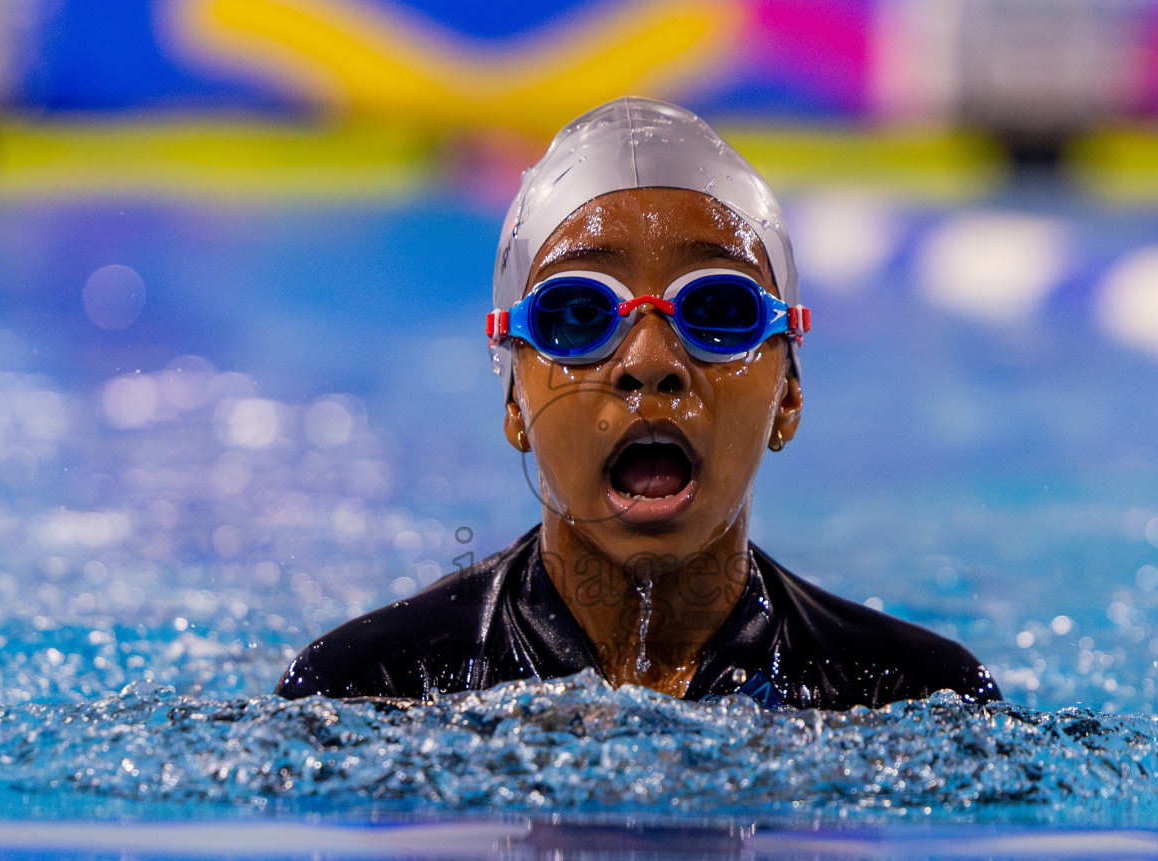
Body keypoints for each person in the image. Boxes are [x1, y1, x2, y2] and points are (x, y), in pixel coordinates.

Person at [278, 97, 999, 710]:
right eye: (580, 314)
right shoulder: (371, 687)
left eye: (718, 309)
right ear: (512, 402)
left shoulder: (907, 693)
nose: (650, 364)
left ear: (789, 394)